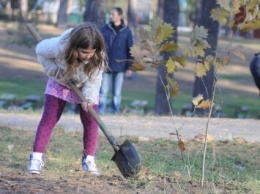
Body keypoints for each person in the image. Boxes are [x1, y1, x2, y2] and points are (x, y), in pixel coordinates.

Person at [27, 23, 107, 175]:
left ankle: (89, 159)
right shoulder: (59, 45)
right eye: (84, 52)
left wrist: (89, 98)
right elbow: (40, 51)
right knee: (49, 118)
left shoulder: (98, 56)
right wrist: (54, 71)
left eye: (91, 52)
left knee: (91, 121)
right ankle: (36, 158)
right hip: (60, 79)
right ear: (75, 46)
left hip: (85, 84)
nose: (88, 56)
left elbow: (94, 81)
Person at [99, 7, 134, 114]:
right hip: (106, 66)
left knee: (117, 93)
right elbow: (99, 47)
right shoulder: (104, 29)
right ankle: (101, 112)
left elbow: (131, 49)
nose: (110, 16)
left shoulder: (127, 31)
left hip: (120, 67)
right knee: (103, 91)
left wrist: (129, 67)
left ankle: (114, 112)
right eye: (110, 14)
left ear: (120, 15)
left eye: (112, 14)